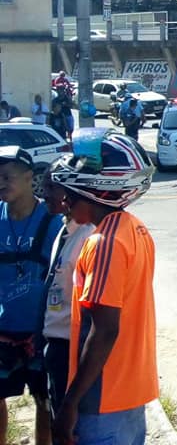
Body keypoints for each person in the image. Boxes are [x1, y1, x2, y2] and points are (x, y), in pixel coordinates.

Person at [49, 129, 156, 445]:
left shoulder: (102, 244)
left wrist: (69, 404)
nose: (65, 201)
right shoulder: (135, 229)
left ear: (99, 192)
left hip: (103, 399)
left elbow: (105, 330)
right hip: (131, 392)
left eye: (72, 193)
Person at [0, 146, 59, 445]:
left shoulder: (52, 222)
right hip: (2, 330)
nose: (0, 183)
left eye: (7, 176)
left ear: (28, 177)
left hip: (41, 332)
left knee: (44, 401)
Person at [41, 173, 95, 423]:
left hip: (72, 348)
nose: (45, 194)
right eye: (44, 186)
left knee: (71, 427)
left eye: (52, 187)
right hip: (55, 344)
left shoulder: (87, 236)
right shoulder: (64, 230)